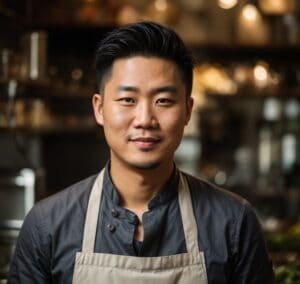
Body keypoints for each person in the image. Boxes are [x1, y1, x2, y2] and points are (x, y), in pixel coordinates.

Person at [8, 21, 274, 284]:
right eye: (128, 100)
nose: (145, 119)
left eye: (163, 101)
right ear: (99, 109)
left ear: (188, 110)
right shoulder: (47, 225)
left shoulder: (234, 223)